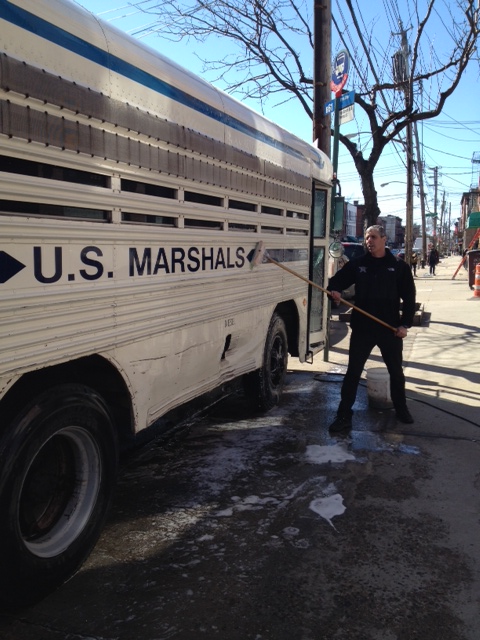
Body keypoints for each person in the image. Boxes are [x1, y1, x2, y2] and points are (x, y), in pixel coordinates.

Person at [327, 225, 416, 432]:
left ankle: (401, 408)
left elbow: (409, 297)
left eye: (373, 237)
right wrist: (335, 292)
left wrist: (405, 324)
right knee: (353, 372)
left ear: (384, 239)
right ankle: (343, 415)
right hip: (362, 328)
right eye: (367, 237)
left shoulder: (398, 266)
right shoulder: (358, 265)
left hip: (389, 328)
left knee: (395, 372)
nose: (369, 241)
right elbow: (335, 283)